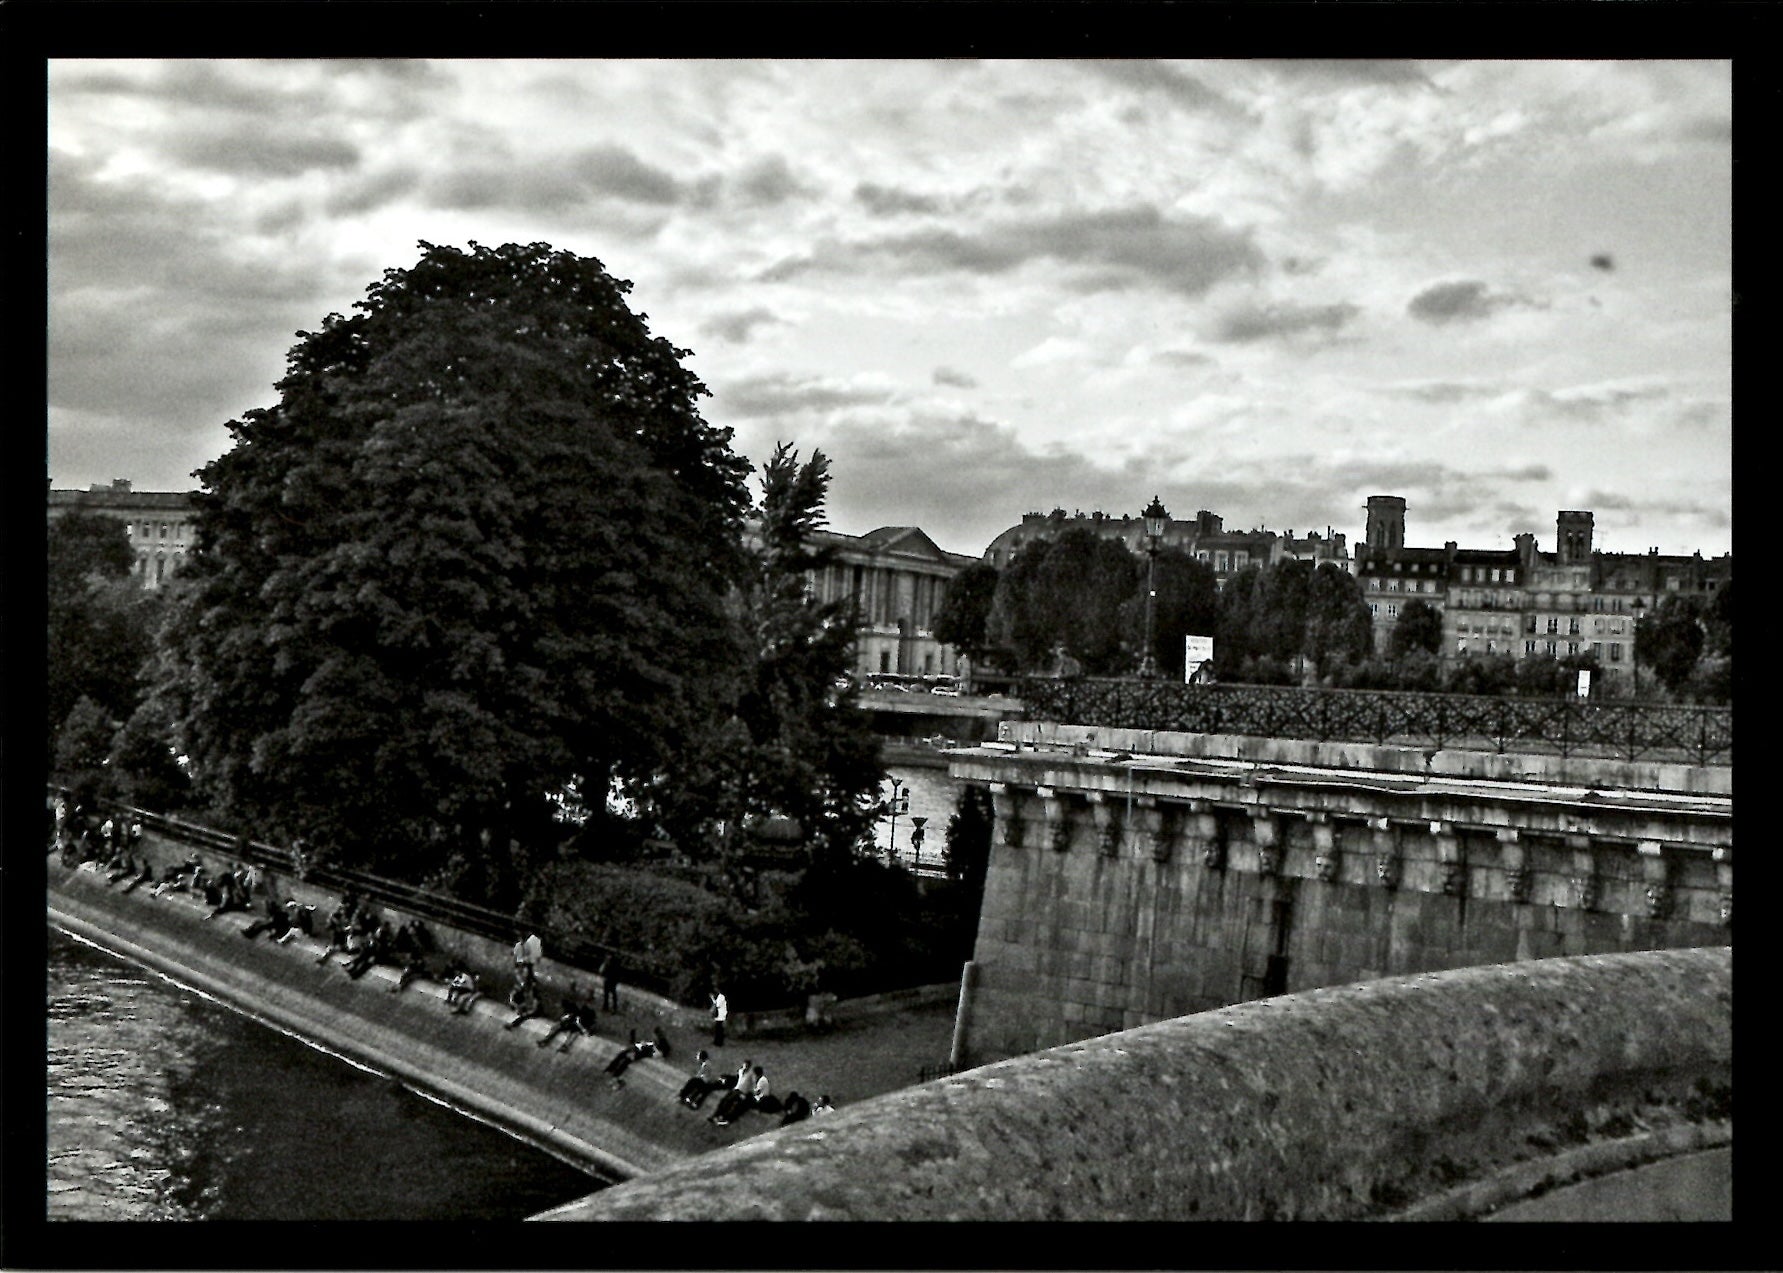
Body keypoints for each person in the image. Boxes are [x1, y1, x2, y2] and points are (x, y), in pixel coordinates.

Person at [535, 983, 595, 1051]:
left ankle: (565, 1046)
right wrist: (565, 1017)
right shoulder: (574, 1006)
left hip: (578, 1025)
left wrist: (579, 1024)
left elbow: (587, 1030)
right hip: (572, 1021)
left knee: (573, 1033)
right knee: (556, 1027)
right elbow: (569, 1014)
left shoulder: (588, 1012)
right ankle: (545, 1040)